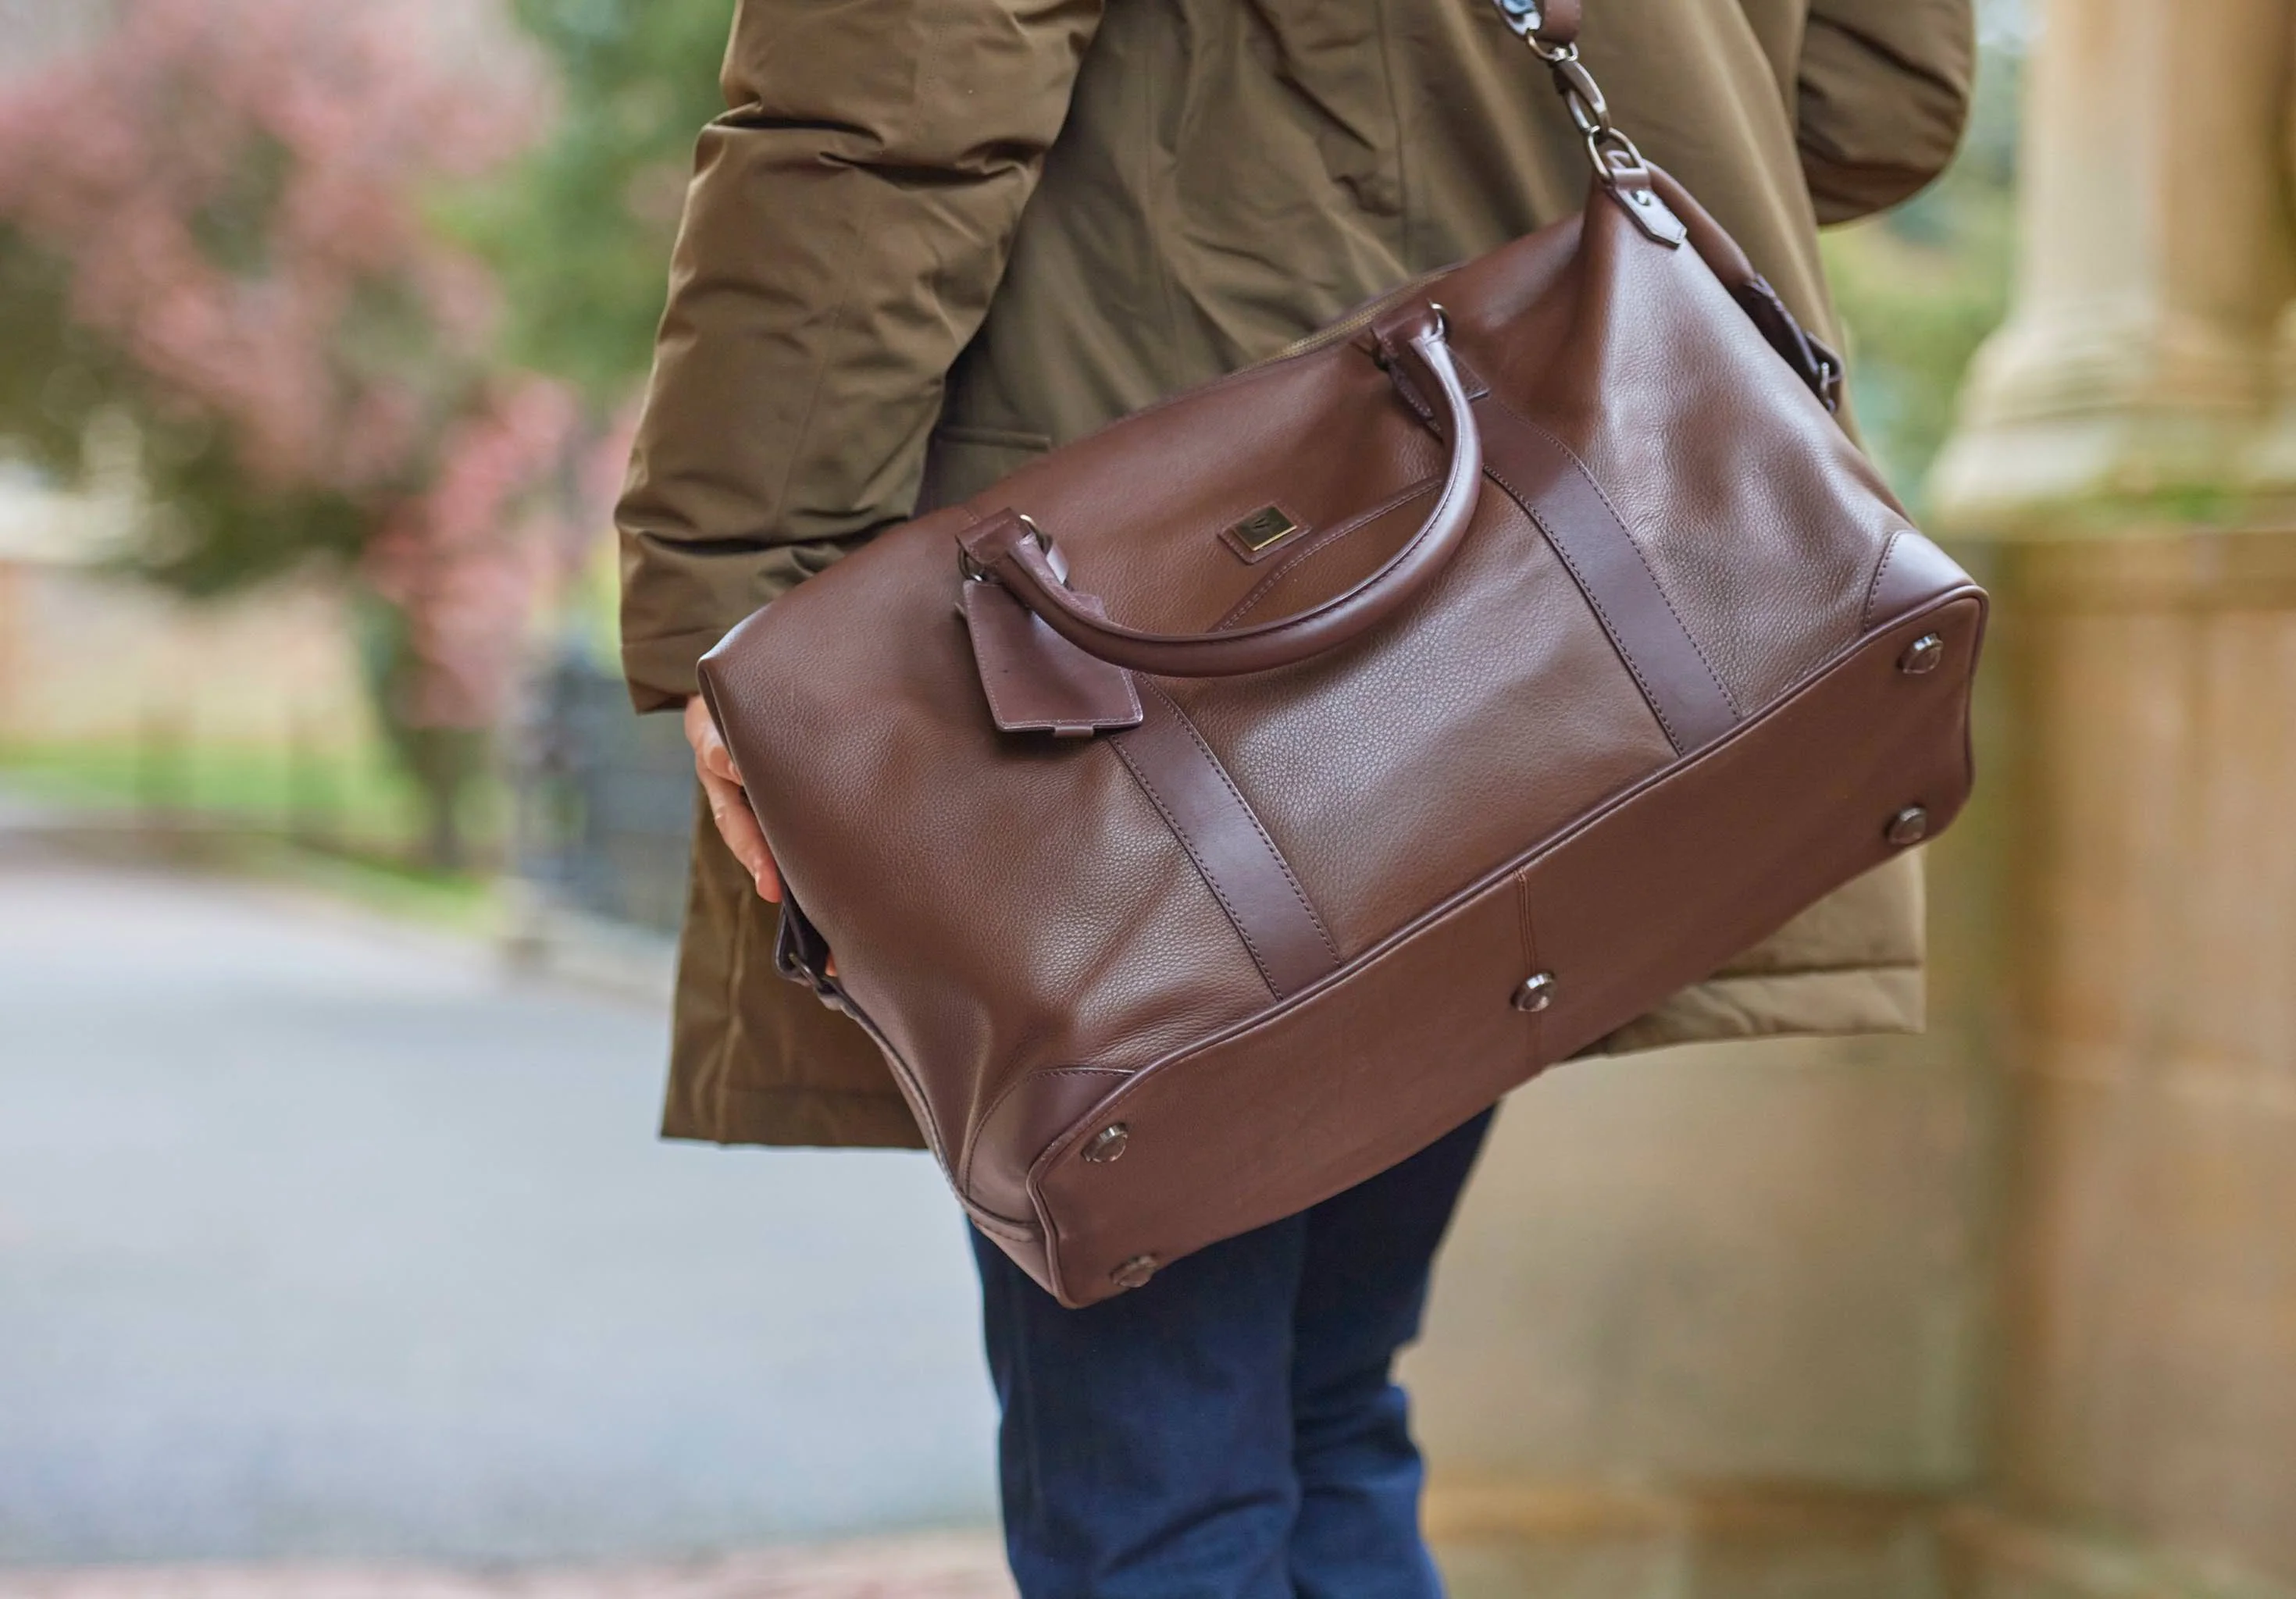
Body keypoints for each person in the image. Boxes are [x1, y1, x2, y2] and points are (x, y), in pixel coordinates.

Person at [616, 0, 1975, 1591]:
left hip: (1141, 584)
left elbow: (893, 98)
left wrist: (750, 598)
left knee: (1166, 1479)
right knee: (1328, 1409)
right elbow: (1885, 93)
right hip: (1543, 586)